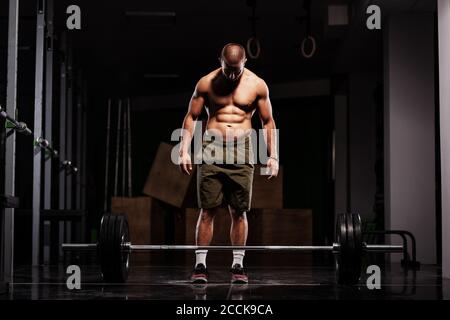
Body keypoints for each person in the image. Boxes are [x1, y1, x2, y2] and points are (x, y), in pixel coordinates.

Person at [179, 43, 278, 284]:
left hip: (242, 149)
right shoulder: (205, 83)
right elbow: (192, 116)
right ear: (220, 61)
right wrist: (183, 149)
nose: (232, 75)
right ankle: (200, 265)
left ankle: (238, 265)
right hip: (211, 148)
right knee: (207, 210)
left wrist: (273, 155)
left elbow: (267, 122)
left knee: (239, 211)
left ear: (245, 62)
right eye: (227, 69)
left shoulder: (257, 85)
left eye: (236, 69)